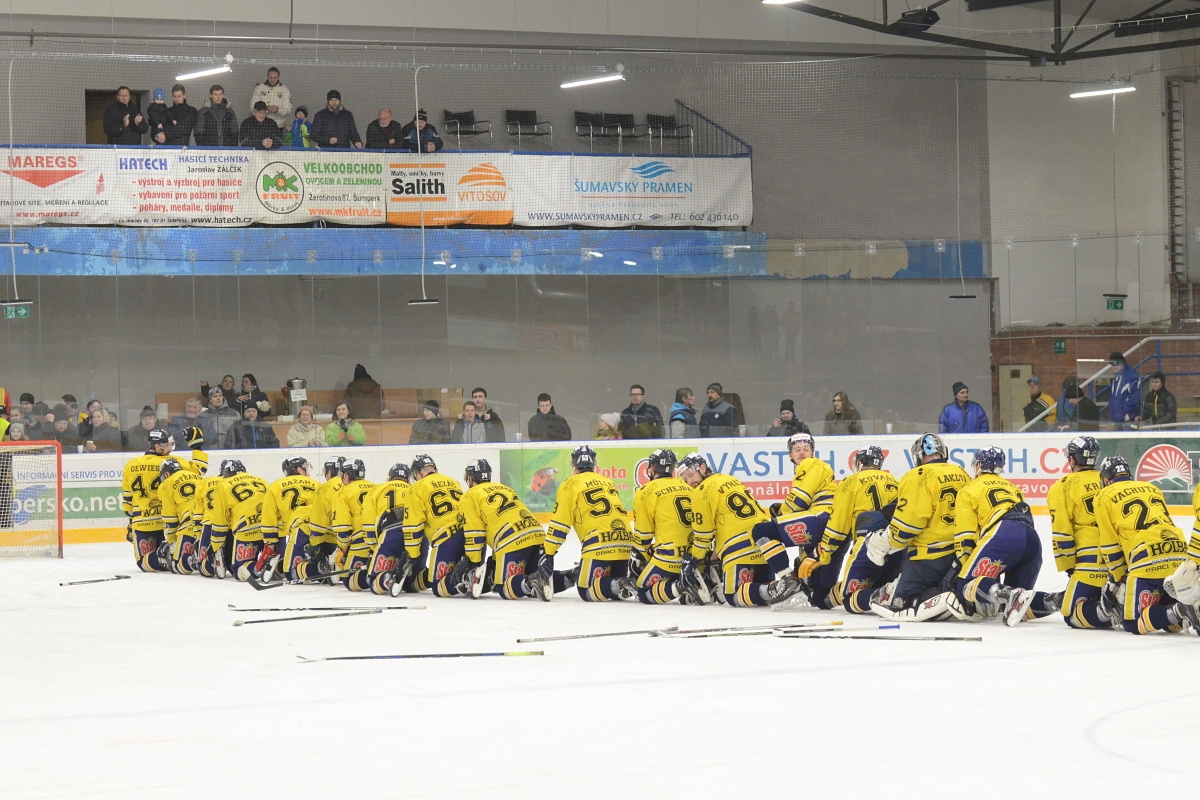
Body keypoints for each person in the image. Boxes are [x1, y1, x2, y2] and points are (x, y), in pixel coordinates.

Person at [953, 446, 1062, 626]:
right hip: (1032, 541)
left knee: (965, 585)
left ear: (978, 465)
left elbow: (966, 536)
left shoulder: (969, 489)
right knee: (1017, 602)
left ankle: (1008, 594)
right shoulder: (1013, 488)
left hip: (1004, 534)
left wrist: (968, 569)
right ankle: (1057, 599)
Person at [868, 433, 972, 622]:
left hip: (928, 558)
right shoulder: (962, 472)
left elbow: (908, 525)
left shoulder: (918, 475)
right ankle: (952, 592)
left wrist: (885, 542)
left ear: (918, 455)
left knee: (902, 602)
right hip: (961, 553)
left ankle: (942, 597)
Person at [679, 453, 797, 608]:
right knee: (759, 589)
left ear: (702, 467)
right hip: (765, 546)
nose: (689, 481)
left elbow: (703, 535)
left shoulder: (700, 492)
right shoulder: (730, 479)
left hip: (738, 548)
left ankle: (773, 588)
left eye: (690, 475)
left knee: (733, 594)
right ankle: (776, 586)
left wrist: (694, 560)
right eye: (685, 479)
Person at [1094, 456, 1194, 634]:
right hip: (1178, 549)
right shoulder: (1152, 487)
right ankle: (1186, 609)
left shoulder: (1103, 496)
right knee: (1167, 620)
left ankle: (1182, 609)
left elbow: (1109, 544)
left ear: (1107, 479)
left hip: (1146, 554)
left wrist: (1118, 577)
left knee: (1134, 623)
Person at [542, 446, 636, 602]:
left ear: (574, 467)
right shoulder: (608, 482)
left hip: (598, 543)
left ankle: (622, 583)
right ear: (594, 465)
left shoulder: (569, 484)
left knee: (586, 589)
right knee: (609, 586)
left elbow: (560, 525)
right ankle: (619, 582)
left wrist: (548, 552)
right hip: (625, 542)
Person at [751, 432, 835, 603]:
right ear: (790, 455)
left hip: (820, 518)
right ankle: (802, 582)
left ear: (813, 452)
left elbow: (799, 500)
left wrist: (780, 513)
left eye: (806, 448)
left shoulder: (811, 464)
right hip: (829, 524)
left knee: (762, 530)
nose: (802, 452)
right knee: (817, 596)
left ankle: (788, 579)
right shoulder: (818, 467)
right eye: (797, 449)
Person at [459, 459, 555, 600]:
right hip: (537, 533)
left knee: (504, 587)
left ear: (471, 478)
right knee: (537, 577)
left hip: (511, 538)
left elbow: (476, 534)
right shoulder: (505, 488)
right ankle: (570, 576)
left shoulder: (469, 496)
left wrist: (472, 562)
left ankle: (532, 581)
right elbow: (502, 518)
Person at [1047, 436, 1111, 630]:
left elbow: (1062, 534)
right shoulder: (1108, 480)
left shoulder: (1062, 486)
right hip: (1120, 557)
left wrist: (1069, 568)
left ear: (1072, 460)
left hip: (1089, 560)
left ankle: (1109, 610)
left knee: (1072, 613)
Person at [630, 449, 702, 605]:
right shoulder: (688, 486)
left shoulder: (645, 491)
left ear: (652, 468)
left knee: (642, 590)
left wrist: (637, 557)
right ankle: (696, 580)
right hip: (695, 558)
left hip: (669, 559)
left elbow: (644, 536)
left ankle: (679, 586)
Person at [402, 454, 470, 597]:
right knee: (447, 574)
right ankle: (469, 572)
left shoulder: (416, 488)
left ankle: (467, 578)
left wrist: (411, 556)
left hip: (446, 539)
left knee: (439, 587)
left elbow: (413, 526)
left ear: (418, 472)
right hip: (469, 533)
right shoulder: (453, 481)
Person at [199, 460, 268, 581]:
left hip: (246, 526)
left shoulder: (222, 484)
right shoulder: (261, 480)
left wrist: (216, 546)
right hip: (268, 526)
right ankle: (275, 565)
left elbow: (220, 521)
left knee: (238, 570)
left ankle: (260, 568)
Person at [121, 429, 175, 573]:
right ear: (158, 447)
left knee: (144, 563)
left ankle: (166, 556)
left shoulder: (131, 465)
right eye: (168, 445)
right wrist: (197, 448)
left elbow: (127, 503)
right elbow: (199, 470)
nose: (170, 449)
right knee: (176, 559)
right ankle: (177, 555)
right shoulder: (170, 462)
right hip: (166, 523)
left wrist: (132, 524)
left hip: (143, 525)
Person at [363, 463, 415, 595]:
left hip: (391, 530)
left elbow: (369, 523)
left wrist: (373, 549)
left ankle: (387, 579)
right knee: (414, 580)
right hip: (415, 534)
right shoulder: (414, 488)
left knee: (372, 580)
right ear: (408, 479)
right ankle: (420, 575)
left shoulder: (377, 489)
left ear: (390, 477)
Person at [328, 459, 377, 591]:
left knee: (350, 580)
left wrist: (342, 551)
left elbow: (343, 529)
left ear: (347, 476)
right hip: (382, 540)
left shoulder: (342, 493)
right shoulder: (377, 487)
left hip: (361, 540)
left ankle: (376, 577)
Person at [158, 457, 204, 574]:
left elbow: (170, 520)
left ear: (167, 473)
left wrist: (170, 540)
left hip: (190, 522)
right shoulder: (198, 477)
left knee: (177, 565)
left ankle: (195, 559)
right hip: (208, 520)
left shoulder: (166, 484)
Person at [1106, 351, 1141, 429]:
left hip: (1128, 421)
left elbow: (1134, 399)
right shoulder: (1117, 377)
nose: (1112, 367)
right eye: (1111, 365)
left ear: (1121, 363)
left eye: (1114, 364)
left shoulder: (1132, 376)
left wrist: (1123, 414)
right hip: (1118, 419)